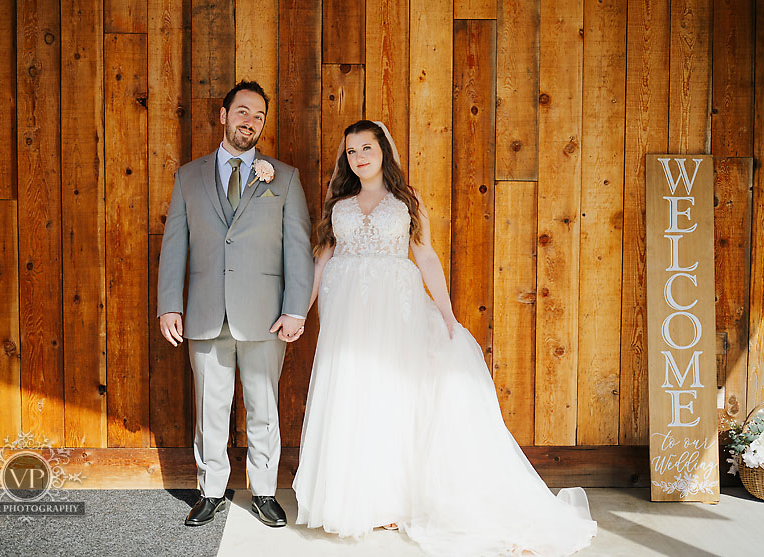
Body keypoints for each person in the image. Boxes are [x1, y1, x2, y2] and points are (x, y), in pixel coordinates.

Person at [292, 120, 596, 555]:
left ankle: (393, 501)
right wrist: (300, 312)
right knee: (351, 394)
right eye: (351, 151)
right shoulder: (337, 201)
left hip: (394, 309)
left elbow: (426, 256)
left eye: (366, 148)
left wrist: (448, 314)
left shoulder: (407, 200)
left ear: (383, 151)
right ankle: (356, 499)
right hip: (346, 313)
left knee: (392, 395)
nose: (359, 157)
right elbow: (321, 260)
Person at [157, 81, 314, 528]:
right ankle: (210, 492)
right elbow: (175, 244)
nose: (251, 121)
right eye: (243, 112)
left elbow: (297, 247)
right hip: (205, 312)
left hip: (265, 316)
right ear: (224, 115)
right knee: (210, 408)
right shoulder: (188, 177)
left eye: (259, 116)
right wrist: (169, 304)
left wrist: (296, 308)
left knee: (264, 407)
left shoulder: (284, 177)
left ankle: (263, 492)